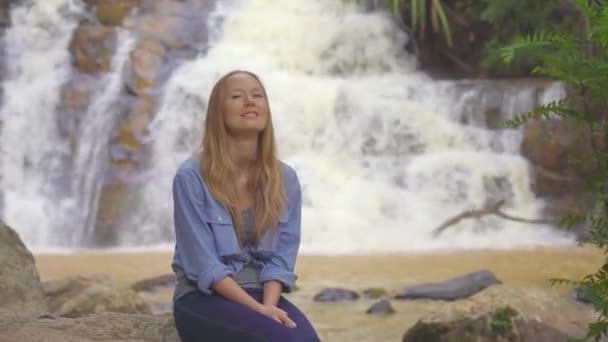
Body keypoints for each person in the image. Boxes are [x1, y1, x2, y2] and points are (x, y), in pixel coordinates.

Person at [171, 70, 321, 342]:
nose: (250, 101)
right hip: (203, 298)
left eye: (257, 96)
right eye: (237, 96)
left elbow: (281, 259)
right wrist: (259, 311)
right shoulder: (191, 177)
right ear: (218, 113)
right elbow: (205, 266)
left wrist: (269, 306)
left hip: (261, 293)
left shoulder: (284, 179)